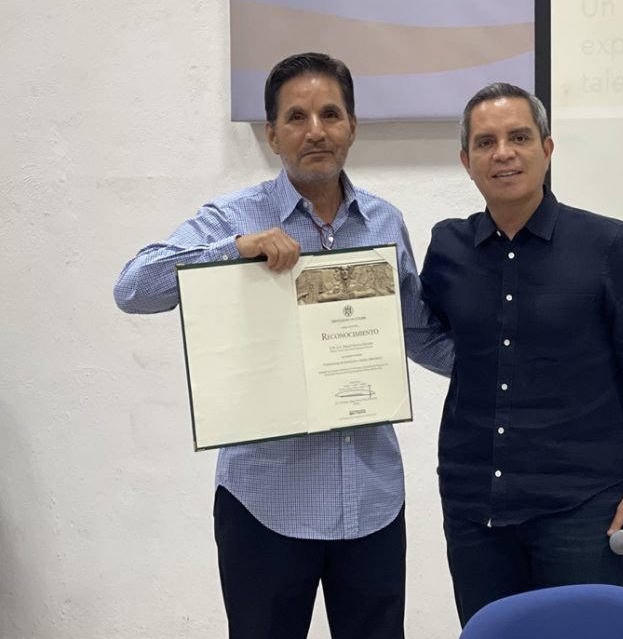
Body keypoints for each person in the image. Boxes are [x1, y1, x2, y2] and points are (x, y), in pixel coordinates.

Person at [113, 52, 451, 639]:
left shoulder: (383, 222)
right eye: (296, 117)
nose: (315, 130)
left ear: (352, 126)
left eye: (330, 114)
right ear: (272, 134)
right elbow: (133, 288)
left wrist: (512, 370)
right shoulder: (234, 218)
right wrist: (233, 251)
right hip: (265, 504)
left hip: (370, 500)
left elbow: (416, 331)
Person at [419, 82, 623, 626]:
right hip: (474, 505)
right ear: (467, 161)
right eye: (486, 142)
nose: (504, 153)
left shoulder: (607, 245)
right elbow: (428, 335)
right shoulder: (448, 247)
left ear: (547, 149)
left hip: (580, 509)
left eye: (519, 137)